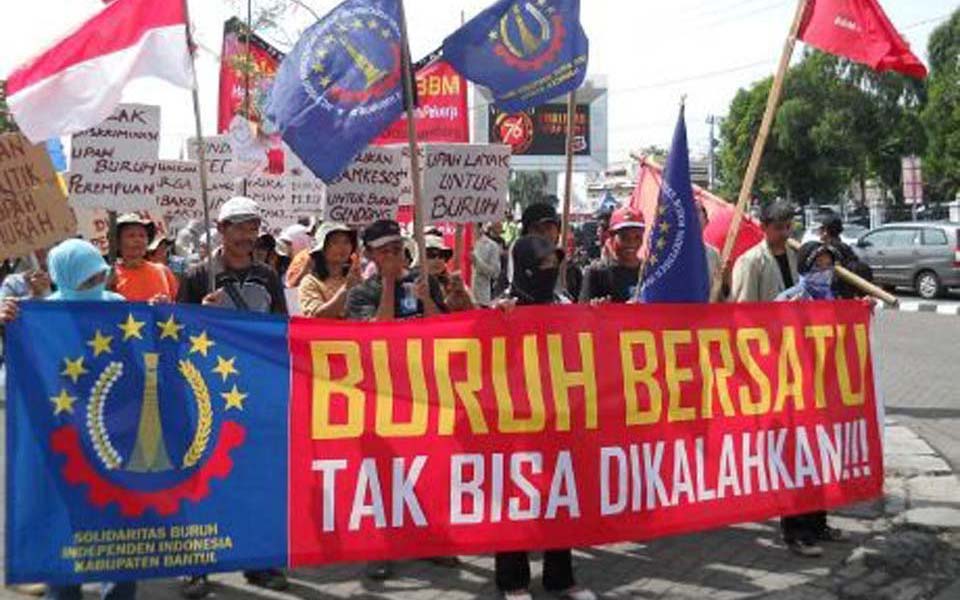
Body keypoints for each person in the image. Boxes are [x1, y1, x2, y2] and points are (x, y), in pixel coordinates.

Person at [1, 239, 134, 600]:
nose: (95, 286)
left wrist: (159, 317)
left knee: (117, 523)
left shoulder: (119, 307)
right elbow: (18, 371)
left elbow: (142, 353)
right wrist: (8, 324)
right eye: (85, 279)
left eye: (99, 276)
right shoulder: (39, 315)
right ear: (66, 278)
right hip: (62, 439)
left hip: (115, 435)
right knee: (63, 520)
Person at [177, 197, 288, 598]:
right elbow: (177, 334)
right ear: (222, 230)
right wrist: (198, 316)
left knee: (255, 477)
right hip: (207, 392)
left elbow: (280, 328)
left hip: (255, 391)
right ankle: (197, 564)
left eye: (252, 226)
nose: (246, 235)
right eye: (239, 226)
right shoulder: (196, 275)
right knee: (204, 479)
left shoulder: (268, 275)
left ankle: (258, 559)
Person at [492, 235, 596, 600]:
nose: (550, 271)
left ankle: (560, 577)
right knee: (514, 498)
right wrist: (496, 321)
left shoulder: (563, 301)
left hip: (558, 417)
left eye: (554, 263)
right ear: (524, 267)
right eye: (543, 264)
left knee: (560, 496)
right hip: (515, 421)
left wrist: (595, 317)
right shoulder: (504, 306)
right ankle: (513, 580)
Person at [345, 220, 451, 580]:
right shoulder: (360, 293)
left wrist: (426, 300)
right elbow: (377, 334)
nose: (392, 256)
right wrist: (389, 283)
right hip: (382, 396)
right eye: (384, 251)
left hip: (426, 391)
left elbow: (445, 330)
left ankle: (430, 542)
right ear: (371, 255)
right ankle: (381, 548)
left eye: (396, 249)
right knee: (384, 472)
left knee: (430, 466)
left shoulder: (425, 281)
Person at [730, 200, 799, 303]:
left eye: (788, 226)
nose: (785, 233)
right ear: (763, 227)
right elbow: (745, 307)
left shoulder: (795, 255)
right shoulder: (750, 261)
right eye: (778, 228)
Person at [580, 207, 644, 304]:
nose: (631, 242)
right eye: (624, 237)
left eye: (637, 237)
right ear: (611, 236)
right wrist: (595, 310)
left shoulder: (649, 272)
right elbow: (581, 315)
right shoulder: (596, 273)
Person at [298, 222, 362, 319]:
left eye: (346, 242)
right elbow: (317, 316)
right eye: (335, 242)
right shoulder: (310, 282)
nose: (342, 247)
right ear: (322, 249)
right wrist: (346, 288)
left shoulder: (358, 280)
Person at [110, 214, 178, 302]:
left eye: (142, 236)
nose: (138, 240)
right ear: (118, 242)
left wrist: (164, 304)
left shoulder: (163, 271)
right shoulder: (110, 275)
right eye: (131, 236)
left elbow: (177, 306)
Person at [818, 213, 873, 299]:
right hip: (848, 295)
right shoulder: (845, 247)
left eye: (821, 229)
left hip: (835, 296)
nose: (819, 233)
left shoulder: (826, 250)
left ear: (825, 231)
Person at [423, 234, 474, 313]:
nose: (438, 260)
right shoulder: (412, 283)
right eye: (431, 255)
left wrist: (462, 294)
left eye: (442, 255)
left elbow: (474, 311)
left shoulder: (452, 281)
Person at [472, 222, 505, 307]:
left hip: (481, 298)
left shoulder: (492, 246)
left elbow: (495, 273)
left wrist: (477, 262)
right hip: (458, 300)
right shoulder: (456, 243)